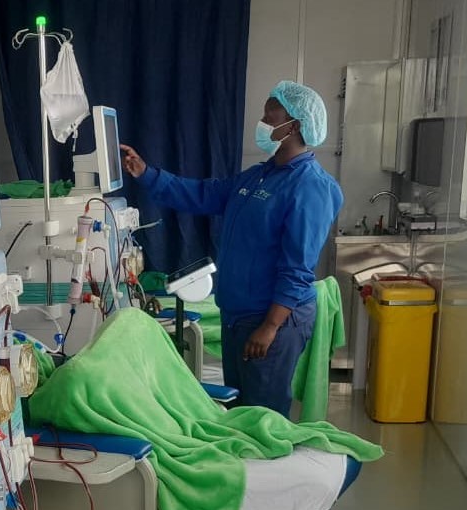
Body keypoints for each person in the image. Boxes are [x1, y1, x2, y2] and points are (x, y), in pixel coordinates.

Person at [121, 81, 343, 417]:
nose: (264, 117)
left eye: (272, 110)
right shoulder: (260, 176)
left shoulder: (310, 186)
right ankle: (244, 467)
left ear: (295, 125)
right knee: (241, 411)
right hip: (239, 315)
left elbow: (296, 268)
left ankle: (269, 467)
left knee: (262, 416)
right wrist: (146, 174)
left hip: (271, 319)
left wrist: (269, 327)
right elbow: (204, 194)